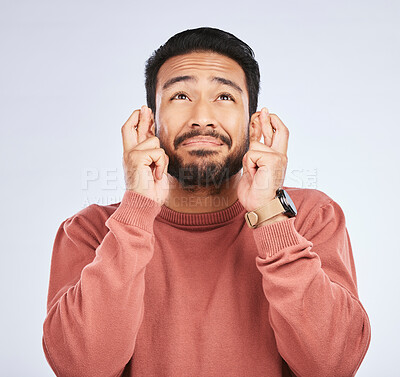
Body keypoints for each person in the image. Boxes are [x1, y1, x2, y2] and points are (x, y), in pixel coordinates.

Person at [42, 27, 371, 377]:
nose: (202, 117)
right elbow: (81, 367)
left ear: (253, 121)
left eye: (225, 97)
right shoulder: (89, 231)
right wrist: (137, 210)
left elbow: (333, 365)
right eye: (180, 96)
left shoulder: (309, 217)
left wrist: (270, 214)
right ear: (151, 123)